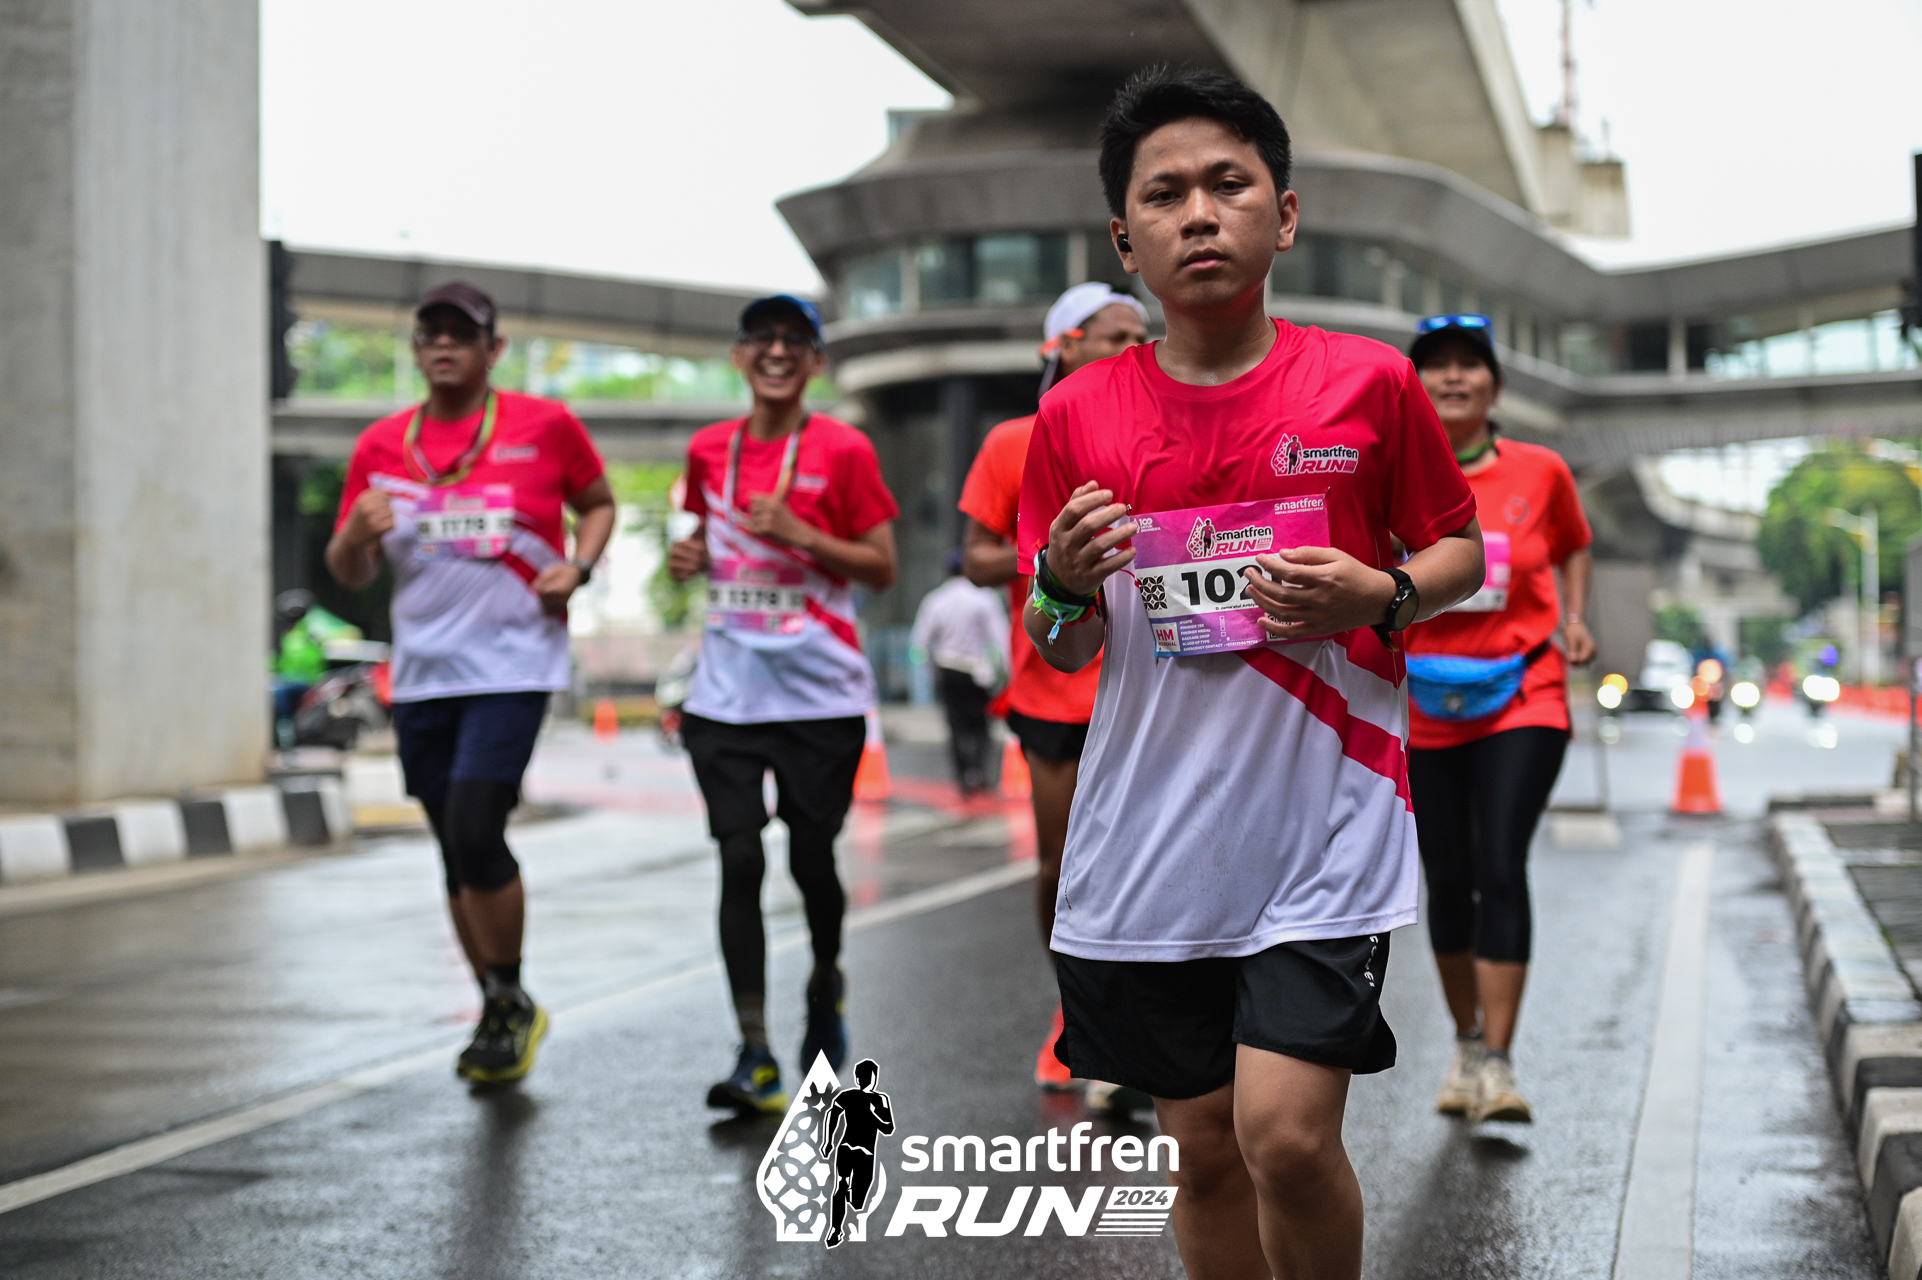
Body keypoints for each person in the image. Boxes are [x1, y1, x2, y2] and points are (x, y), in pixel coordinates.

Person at [1019, 69, 1484, 1279]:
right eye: (1162, 193)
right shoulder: (1074, 415)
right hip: (1155, 835)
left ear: (1282, 215)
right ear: (1123, 239)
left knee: (1282, 1134)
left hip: (1323, 821)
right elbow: (1060, 638)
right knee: (1205, 1151)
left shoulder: (1368, 383)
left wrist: (1378, 592)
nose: (1197, 213)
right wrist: (1059, 582)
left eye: (1227, 185)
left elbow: (1458, 548)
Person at [325, 281, 615, 1084]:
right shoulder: (382, 445)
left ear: (495, 348)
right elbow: (350, 571)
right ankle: (496, 1003)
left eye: (462, 332)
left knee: (477, 823)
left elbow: (597, 503)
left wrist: (579, 567)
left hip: (514, 664)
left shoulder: (544, 426)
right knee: (453, 843)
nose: (444, 345)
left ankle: (511, 993)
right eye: (431, 333)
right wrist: (352, 535)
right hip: (424, 676)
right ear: (416, 349)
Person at [666, 295, 900, 1115]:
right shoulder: (709, 449)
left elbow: (881, 567)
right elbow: (703, 542)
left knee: (810, 859)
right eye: (761, 339)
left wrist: (803, 535)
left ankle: (825, 980)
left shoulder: (843, 448)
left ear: (815, 362)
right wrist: (688, 557)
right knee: (738, 858)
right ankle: (754, 1050)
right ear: (738, 356)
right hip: (725, 696)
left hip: (818, 695)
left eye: (794, 340)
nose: (776, 351)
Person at [956, 280, 1148, 1097]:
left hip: (1150, 682)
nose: (1132, 350)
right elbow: (975, 557)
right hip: (1053, 686)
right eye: (1112, 336)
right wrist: (1056, 557)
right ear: (1063, 347)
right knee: (1061, 867)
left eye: (1140, 336)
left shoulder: (1159, 431)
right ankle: (1075, 1010)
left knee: (1151, 863)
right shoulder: (1013, 442)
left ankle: (1146, 1024)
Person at [1402, 313, 1594, 1125]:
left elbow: (1574, 543)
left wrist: (1573, 618)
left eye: (1469, 364)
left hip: (1525, 692)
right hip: (1421, 699)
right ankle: (1467, 1042)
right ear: (1412, 387)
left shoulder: (1541, 471)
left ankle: (1499, 1066)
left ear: (1496, 386)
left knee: (1500, 865)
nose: (1452, 377)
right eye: (1435, 365)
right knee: (1446, 877)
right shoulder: (1390, 473)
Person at [910, 551, 1007, 796]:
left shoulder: (935, 600)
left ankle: (962, 776)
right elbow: (999, 638)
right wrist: (1003, 670)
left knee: (955, 725)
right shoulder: (984, 598)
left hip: (948, 669)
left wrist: (931, 672)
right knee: (981, 725)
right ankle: (979, 772)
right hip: (976, 670)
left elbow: (920, 642)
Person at [822, 1058, 894, 1249]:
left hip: (864, 1153)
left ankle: (848, 1196)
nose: (866, 1079)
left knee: (857, 1201)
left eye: (869, 1076)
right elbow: (832, 1114)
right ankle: (836, 1229)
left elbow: (888, 1128)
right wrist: (828, 1141)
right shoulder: (849, 1096)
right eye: (863, 1076)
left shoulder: (880, 1100)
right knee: (841, 1184)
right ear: (858, 1077)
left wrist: (872, 1115)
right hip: (849, 1148)